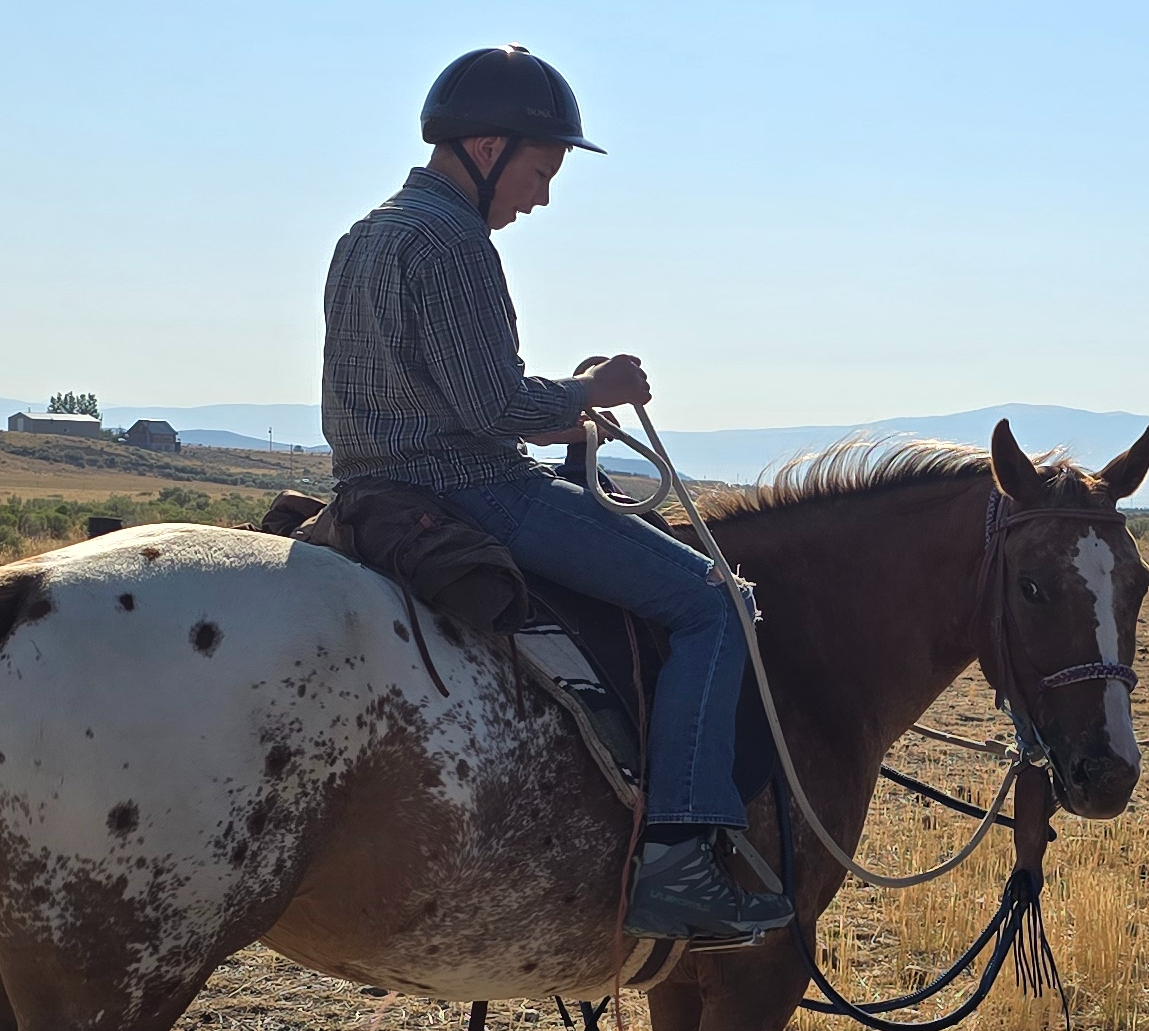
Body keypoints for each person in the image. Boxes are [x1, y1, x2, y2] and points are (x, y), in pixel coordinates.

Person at [321, 44, 794, 945]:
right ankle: (680, 859)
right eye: (540, 172)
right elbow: (495, 407)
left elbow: (429, 390)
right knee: (715, 603)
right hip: (475, 491)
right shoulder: (452, 243)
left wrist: (560, 409)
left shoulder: (363, 236)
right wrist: (592, 390)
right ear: (489, 146)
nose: (539, 198)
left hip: (367, 490)